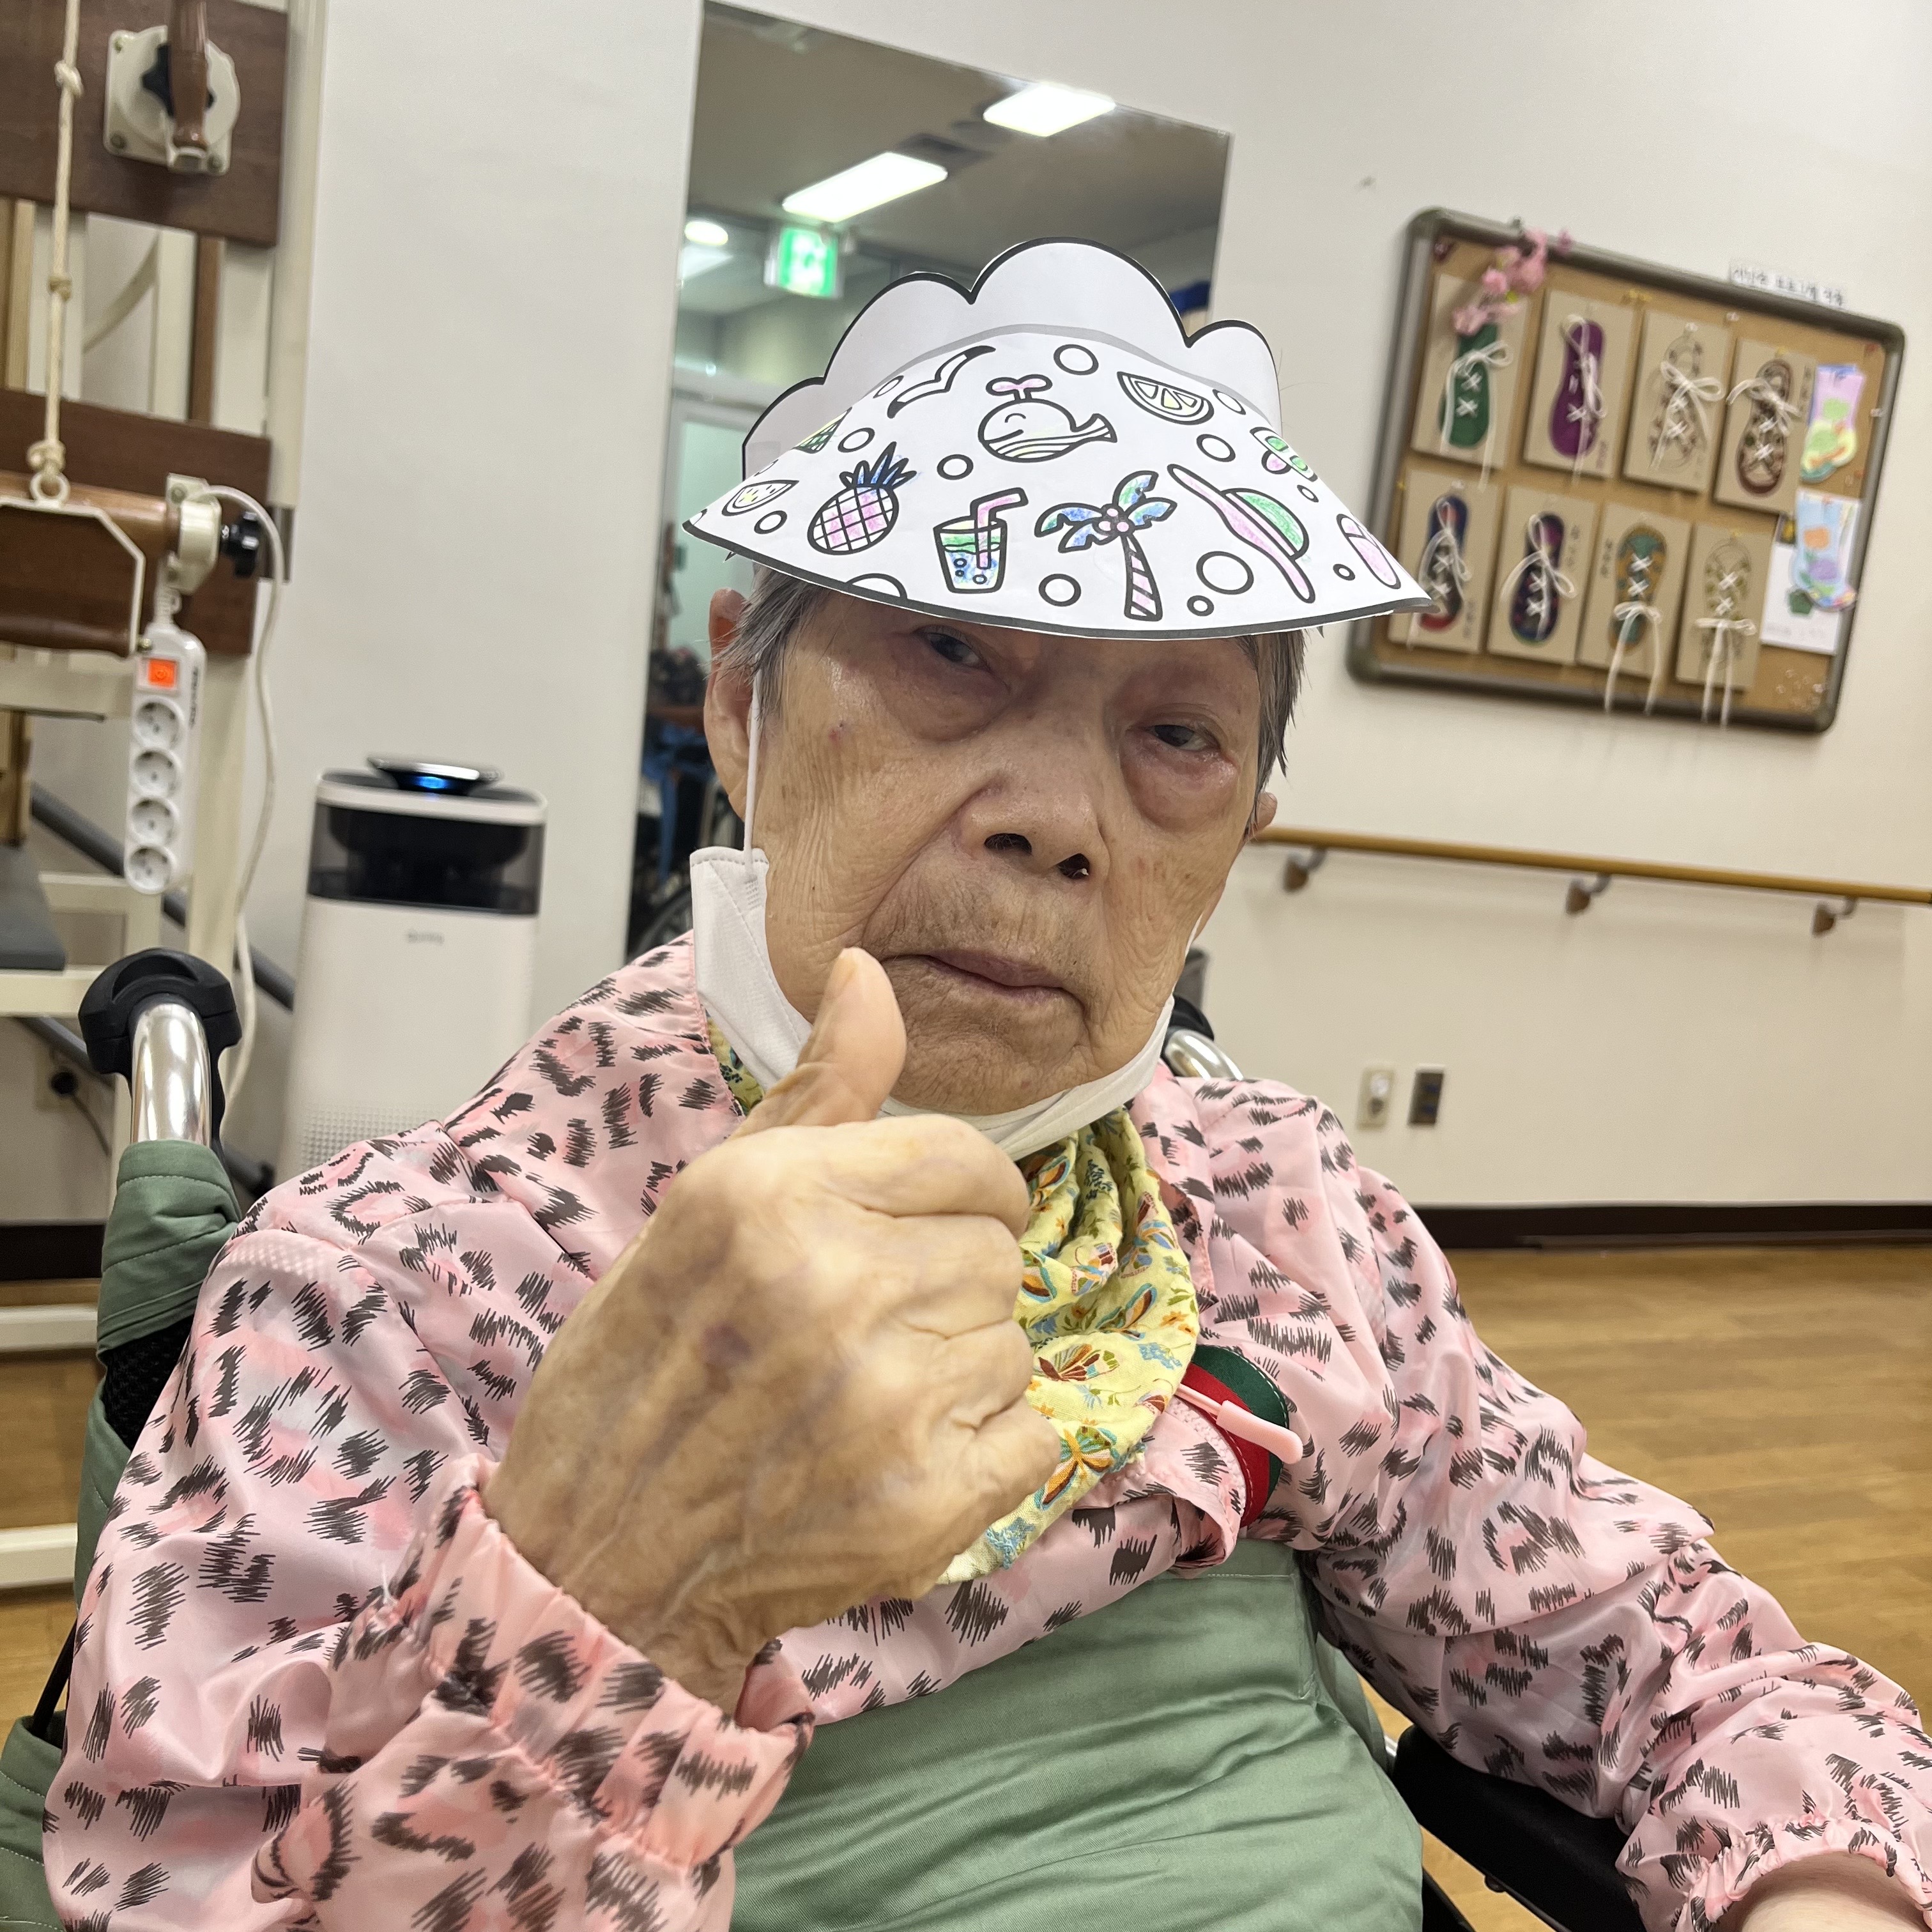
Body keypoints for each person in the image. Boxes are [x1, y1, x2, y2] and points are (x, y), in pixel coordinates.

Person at [48, 241, 1928, 1931]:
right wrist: (624, 1587)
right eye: (951, 652)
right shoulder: (406, 1285)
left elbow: (1678, 1662)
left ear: (1244, 831)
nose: (1056, 819)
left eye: (1176, 732)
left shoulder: (1276, 1216)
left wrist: (1822, 1888)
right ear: (741, 700)